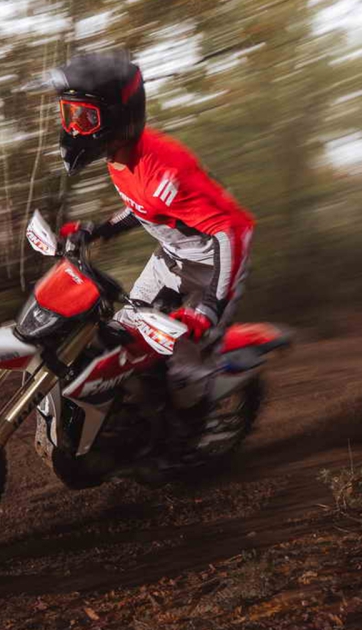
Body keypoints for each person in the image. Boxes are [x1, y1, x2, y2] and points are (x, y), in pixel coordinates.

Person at [50, 51, 257, 457]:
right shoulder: (121, 157)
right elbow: (144, 206)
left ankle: (190, 443)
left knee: (184, 367)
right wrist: (101, 228)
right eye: (68, 115)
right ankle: (136, 423)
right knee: (123, 336)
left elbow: (234, 230)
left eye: (85, 118)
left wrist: (209, 309)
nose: (73, 128)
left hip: (213, 267)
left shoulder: (166, 169)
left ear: (118, 117)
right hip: (172, 257)